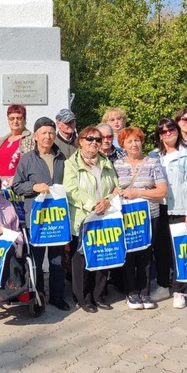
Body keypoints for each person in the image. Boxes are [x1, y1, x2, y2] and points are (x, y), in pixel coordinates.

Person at [12, 117, 69, 311]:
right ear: (35, 136)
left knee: (57, 261)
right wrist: (34, 187)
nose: (48, 136)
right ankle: (38, 296)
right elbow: (16, 186)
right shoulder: (27, 159)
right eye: (44, 133)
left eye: (51, 132)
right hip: (36, 219)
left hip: (57, 219)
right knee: (35, 261)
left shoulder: (62, 158)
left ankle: (57, 296)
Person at [64, 126, 119, 312]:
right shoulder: (71, 163)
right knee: (81, 260)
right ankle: (82, 296)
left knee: (101, 256)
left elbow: (115, 188)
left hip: (104, 217)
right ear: (80, 141)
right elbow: (70, 190)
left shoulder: (106, 162)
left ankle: (99, 295)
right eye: (90, 139)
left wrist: (107, 201)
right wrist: (93, 204)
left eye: (97, 139)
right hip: (83, 217)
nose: (94, 142)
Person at [113, 127, 167, 310]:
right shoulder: (117, 164)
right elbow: (113, 189)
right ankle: (131, 292)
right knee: (129, 254)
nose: (134, 144)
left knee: (146, 254)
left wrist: (137, 192)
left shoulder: (153, 162)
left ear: (142, 142)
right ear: (123, 145)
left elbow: (162, 191)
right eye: (129, 141)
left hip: (150, 215)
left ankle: (145, 292)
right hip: (128, 216)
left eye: (137, 140)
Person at [154, 117, 187, 309]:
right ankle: (163, 284)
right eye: (163, 131)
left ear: (176, 130)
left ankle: (179, 290)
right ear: (159, 135)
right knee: (161, 249)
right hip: (159, 207)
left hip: (180, 208)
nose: (168, 133)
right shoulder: (154, 155)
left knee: (179, 250)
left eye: (171, 129)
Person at [0, 104, 34, 186]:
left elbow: (32, 165)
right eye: (12, 118)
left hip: (19, 187)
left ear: (24, 120)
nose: (15, 121)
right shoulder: (2, 141)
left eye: (19, 118)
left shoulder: (31, 139)